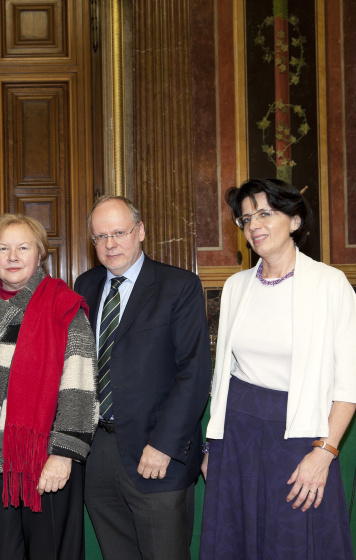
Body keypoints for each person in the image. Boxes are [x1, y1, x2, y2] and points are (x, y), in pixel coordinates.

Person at [199, 179, 356, 559]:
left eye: (265, 213)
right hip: (237, 437)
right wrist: (214, 447)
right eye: (245, 218)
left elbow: (352, 378)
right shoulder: (235, 286)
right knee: (236, 541)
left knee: (295, 542)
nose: (253, 224)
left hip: (299, 436)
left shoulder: (330, 284)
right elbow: (224, 375)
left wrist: (325, 451)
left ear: (293, 220)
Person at [74, 195, 212, 560]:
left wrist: (165, 444)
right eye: (100, 237)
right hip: (98, 453)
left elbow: (194, 373)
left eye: (119, 232)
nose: (110, 244)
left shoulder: (178, 286)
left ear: (141, 231)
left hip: (158, 452)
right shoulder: (84, 286)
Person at [0, 213, 97, 559]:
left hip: (46, 461)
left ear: (40, 255)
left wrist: (63, 455)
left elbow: (79, 389)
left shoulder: (63, 308)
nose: (13, 256)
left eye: (23, 247)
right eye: (3, 248)